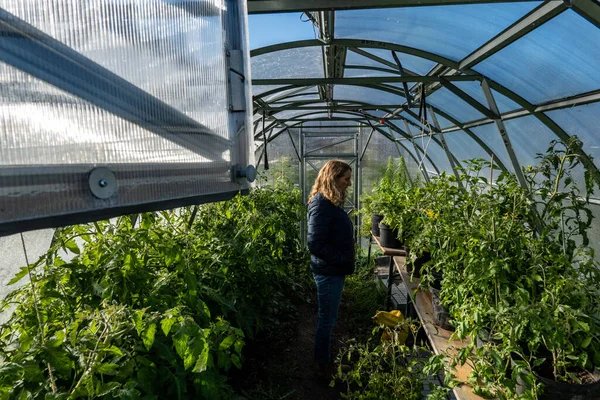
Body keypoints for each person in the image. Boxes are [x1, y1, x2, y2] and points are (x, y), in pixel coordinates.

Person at [307, 160, 355, 380]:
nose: (349, 183)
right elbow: (315, 244)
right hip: (328, 271)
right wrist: (342, 259)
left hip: (333, 269)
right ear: (332, 178)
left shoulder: (329, 202)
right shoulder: (321, 204)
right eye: (345, 179)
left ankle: (325, 359)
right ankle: (322, 367)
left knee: (329, 317)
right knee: (326, 319)